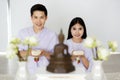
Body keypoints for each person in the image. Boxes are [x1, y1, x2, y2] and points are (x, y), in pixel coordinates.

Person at [17, 4, 58, 74]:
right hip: (27, 71)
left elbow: (57, 58)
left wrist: (44, 53)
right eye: (35, 17)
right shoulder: (23, 33)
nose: (38, 21)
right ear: (31, 18)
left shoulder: (52, 35)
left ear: (46, 18)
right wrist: (30, 52)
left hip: (46, 72)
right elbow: (18, 53)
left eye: (41, 17)